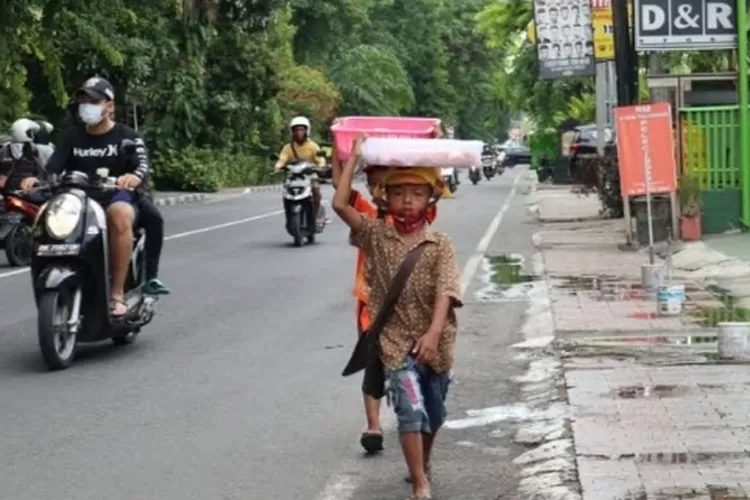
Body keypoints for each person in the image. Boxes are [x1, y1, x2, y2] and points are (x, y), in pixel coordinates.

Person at [333, 136, 462, 500]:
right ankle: (419, 482)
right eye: (400, 192)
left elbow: (446, 292)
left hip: (437, 343)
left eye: (417, 193)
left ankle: (425, 460)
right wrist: (354, 158)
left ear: (430, 199)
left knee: (434, 415)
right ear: (384, 197)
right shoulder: (374, 235)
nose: (408, 200)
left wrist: (434, 334)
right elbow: (340, 204)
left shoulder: (441, 244)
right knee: (410, 409)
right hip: (394, 342)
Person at [332, 150, 439, 454]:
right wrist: (343, 150)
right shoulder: (366, 216)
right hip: (372, 302)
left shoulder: (416, 214)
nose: (380, 188)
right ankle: (374, 425)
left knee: (417, 364)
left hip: (413, 305)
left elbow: (430, 187)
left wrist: (433, 144)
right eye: (376, 183)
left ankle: (418, 421)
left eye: (384, 183)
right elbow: (340, 194)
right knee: (373, 362)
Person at [43, 76, 167, 315]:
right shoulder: (71, 137)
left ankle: (117, 294)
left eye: (94, 101)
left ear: (109, 106)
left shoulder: (128, 136)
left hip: (118, 197)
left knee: (118, 214)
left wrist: (133, 177)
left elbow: (142, 165)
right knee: (46, 215)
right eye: (83, 101)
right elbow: (52, 168)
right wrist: (36, 180)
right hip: (78, 201)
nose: (86, 107)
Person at [274, 116, 325, 221]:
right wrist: (278, 166)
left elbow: (320, 159)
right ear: (292, 131)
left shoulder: (312, 146)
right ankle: (289, 214)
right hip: (293, 177)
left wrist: (320, 166)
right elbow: (282, 159)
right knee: (286, 192)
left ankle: (314, 216)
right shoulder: (288, 147)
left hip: (310, 175)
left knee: (316, 191)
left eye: (302, 129)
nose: (299, 132)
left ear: (307, 130)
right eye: (296, 130)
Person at [0, 119, 53, 198]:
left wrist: (36, 180)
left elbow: (44, 174)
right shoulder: (5, 149)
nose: (33, 136)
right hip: (8, 195)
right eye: (31, 133)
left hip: (25, 194)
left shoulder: (34, 150)